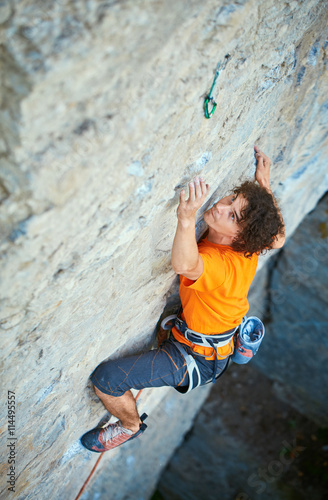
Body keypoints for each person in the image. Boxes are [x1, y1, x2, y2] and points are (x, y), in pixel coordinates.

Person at [81, 146, 285, 453]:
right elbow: (278, 237)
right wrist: (264, 185)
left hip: (194, 358)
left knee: (106, 380)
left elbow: (186, 265)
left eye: (231, 215)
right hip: (210, 334)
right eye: (230, 199)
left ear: (240, 238)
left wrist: (186, 217)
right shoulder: (253, 242)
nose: (220, 207)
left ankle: (130, 426)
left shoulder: (221, 266)